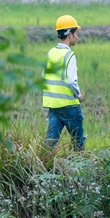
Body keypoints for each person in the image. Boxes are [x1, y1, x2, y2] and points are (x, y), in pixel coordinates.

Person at [43, 15, 85, 151]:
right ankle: (83, 170)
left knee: (50, 142)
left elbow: (44, 76)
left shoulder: (51, 53)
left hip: (54, 105)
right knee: (78, 143)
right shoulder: (69, 55)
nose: (77, 36)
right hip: (70, 106)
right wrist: (79, 95)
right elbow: (72, 81)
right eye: (76, 33)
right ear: (69, 34)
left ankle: (39, 168)